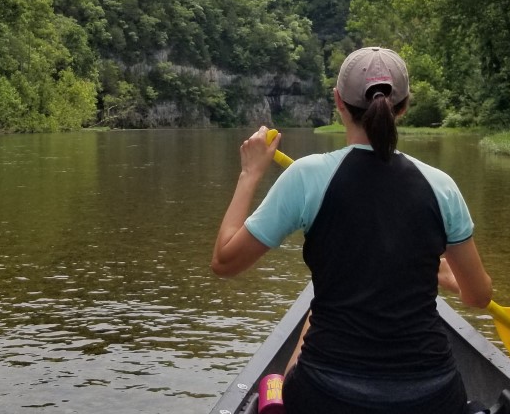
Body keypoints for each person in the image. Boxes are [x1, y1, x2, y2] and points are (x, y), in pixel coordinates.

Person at [211, 47, 493, 414]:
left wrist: (250, 174)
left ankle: (277, 396)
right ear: (404, 107)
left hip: (327, 396)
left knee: (317, 313)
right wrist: (444, 274)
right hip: (432, 397)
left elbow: (224, 261)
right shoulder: (442, 186)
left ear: (338, 103)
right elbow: (479, 296)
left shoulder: (306, 175)